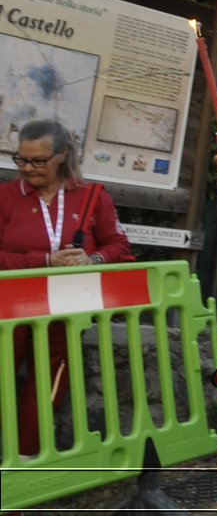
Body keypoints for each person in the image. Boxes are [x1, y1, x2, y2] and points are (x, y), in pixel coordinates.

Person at [2, 119, 133, 455]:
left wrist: (94, 260)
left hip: (65, 311)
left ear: (62, 156)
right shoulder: (5, 197)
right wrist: (44, 261)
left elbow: (119, 245)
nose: (28, 169)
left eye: (38, 161)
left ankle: (22, 475)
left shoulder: (92, 197)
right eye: (21, 160)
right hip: (8, 311)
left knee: (45, 392)